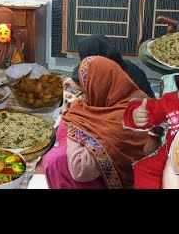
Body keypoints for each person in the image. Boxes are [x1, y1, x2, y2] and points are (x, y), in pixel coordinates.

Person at [44, 56, 150, 189]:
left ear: (99, 89)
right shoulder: (126, 96)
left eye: (85, 92)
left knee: (56, 161)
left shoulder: (123, 122)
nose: (83, 98)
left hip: (122, 181)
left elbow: (80, 170)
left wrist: (74, 119)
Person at [64, 34, 155, 98]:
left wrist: (79, 88)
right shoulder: (110, 62)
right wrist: (73, 81)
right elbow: (79, 75)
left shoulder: (119, 75)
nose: (85, 63)